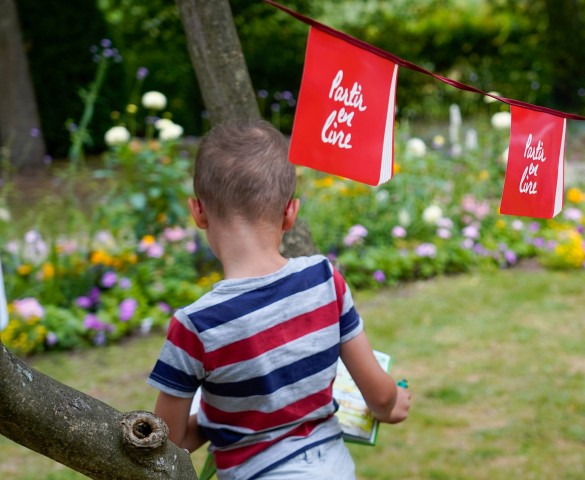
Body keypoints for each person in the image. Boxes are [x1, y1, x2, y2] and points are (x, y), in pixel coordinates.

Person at [147, 119, 411, 479]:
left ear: (198, 211)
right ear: (290, 212)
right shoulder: (324, 279)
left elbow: (165, 442)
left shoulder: (195, 327)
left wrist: (222, 417)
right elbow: (380, 397)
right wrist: (393, 403)